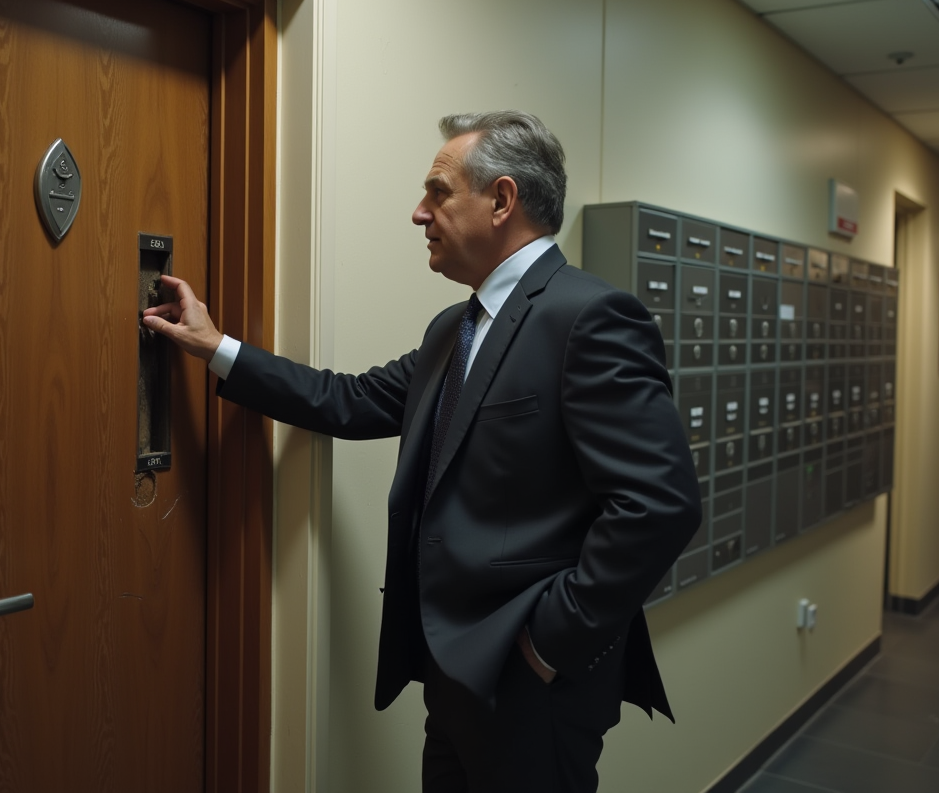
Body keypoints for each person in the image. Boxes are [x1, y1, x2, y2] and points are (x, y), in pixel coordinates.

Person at [143, 110, 702, 793]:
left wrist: (547, 643)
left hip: (530, 679)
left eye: (438, 192)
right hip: (454, 671)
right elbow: (347, 401)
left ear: (501, 200)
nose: (418, 213)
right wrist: (216, 348)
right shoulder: (455, 330)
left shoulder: (588, 317)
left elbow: (660, 505)